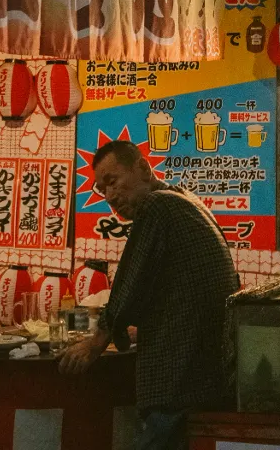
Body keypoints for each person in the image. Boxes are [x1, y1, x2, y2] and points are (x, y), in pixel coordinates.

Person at [60, 139, 240, 450]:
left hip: (179, 380)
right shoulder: (185, 199)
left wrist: (94, 343)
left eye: (113, 181)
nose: (110, 196)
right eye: (102, 190)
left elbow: (132, 279)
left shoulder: (159, 206)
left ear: (143, 168)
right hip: (206, 375)